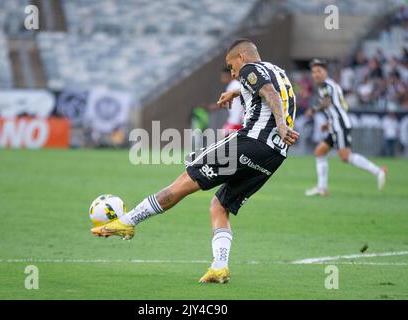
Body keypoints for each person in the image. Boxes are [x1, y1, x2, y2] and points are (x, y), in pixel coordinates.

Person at [91, 39, 299, 283]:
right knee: (219, 206)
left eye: (231, 65)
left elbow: (270, 93)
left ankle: (127, 222)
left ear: (241, 57)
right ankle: (219, 267)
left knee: (183, 182)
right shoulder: (278, 71)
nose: (232, 72)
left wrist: (282, 124)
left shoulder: (247, 69)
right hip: (274, 156)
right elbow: (274, 90)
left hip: (251, 141)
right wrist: (236, 92)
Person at [305, 59, 387, 197]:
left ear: (325, 72)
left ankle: (378, 171)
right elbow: (341, 106)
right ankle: (322, 188)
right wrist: (329, 122)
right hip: (336, 124)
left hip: (340, 125)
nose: (315, 74)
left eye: (318, 71)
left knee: (345, 156)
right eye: (313, 72)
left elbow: (326, 102)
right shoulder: (331, 86)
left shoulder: (326, 85)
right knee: (319, 152)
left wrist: (313, 110)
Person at [219, 67, 244, 135]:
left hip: (238, 119)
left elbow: (243, 99)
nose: (222, 78)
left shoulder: (235, 85)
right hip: (234, 118)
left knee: (225, 135)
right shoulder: (231, 86)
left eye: (223, 76)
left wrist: (241, 117)